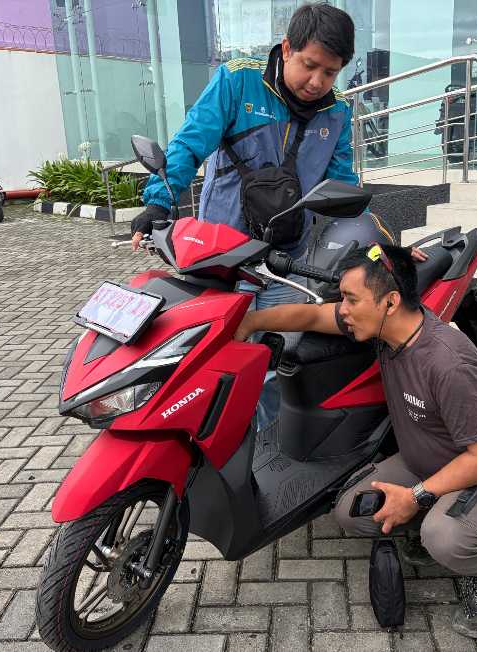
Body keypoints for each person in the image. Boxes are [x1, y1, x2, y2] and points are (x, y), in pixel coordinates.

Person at [233, 243, 477, 639]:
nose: (343, 309)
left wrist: (415, 496)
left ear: (391, 302)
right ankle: (435, 517)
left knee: (445, 538)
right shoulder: (382, 328)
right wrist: (249, 321)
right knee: (352, 511)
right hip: (429, 461)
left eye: (351, 299)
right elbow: (310, 315)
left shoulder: (449, 364)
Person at [130, 3, 363, 429]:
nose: (317, 82)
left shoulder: (337, 112)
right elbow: (189, 144)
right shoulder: (238, 81)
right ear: (287, 48)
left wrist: (373, 250)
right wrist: (158, 203)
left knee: (273, 361)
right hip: (220, 256)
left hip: (286, 262)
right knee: (210, 359)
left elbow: (343, 185)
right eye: (309, 65)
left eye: (330, 73)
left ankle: (264, 446)